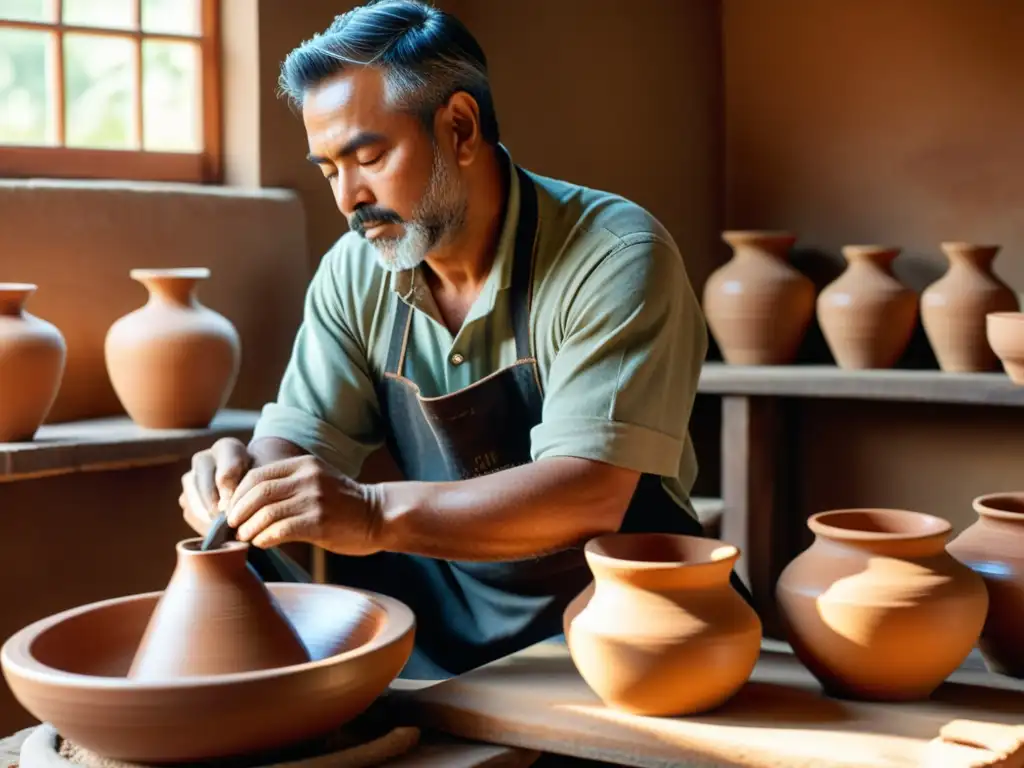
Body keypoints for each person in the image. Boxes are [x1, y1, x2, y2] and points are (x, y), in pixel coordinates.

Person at [179, 0, 738, 679]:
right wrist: (246, 480)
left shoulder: (614, 254)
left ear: (461, 128)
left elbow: (591, 491)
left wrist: (371, 513)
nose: (348, 198)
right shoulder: (354, 273)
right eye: (330, 169)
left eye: (369, 156)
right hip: (440, 637)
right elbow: (297, 439)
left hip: (623, 633)